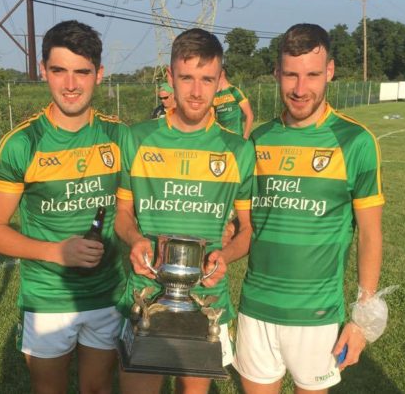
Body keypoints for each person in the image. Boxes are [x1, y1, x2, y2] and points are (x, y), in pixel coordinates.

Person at [0, 20, 131, 394]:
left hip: (107, 293)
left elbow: (139, 206)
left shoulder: (119, 136)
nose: (71, 84)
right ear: (43, 70)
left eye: (82, 72)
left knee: (97, 389)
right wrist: (56, 251)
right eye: (59, 70)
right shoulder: (21, 144)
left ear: (99, 74)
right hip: (48, 298)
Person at [233, 23, 386, 393]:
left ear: (329, 71)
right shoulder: (259, 139)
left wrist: (362, 320)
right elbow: (247, 226)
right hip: (256, 309)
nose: (301, 90)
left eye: (312, 75)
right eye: (291, 75)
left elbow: (370, 234)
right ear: (276, 73)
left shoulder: (356, 141)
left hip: (317, 317)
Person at [114, 28, 256, 394]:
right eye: (187, 78)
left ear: (219, 81)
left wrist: (225, 255)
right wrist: (133, 239)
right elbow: (122, 213)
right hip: (145, 294)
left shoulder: (237, 149)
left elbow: (247, 230)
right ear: (170, 78)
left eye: (207, 79)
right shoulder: (138, 137)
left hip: (207, 298)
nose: (196, 91)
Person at [213, 68, 254, 139]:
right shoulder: (214, 96)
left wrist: (245, 138)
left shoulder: (234, 91)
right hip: (221, 139)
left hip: (236, 138)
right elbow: (212, 119)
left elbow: (250, 115)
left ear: (222, 73)